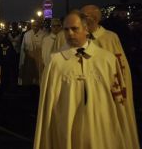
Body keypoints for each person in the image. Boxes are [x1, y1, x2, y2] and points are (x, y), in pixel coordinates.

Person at [34, 11, 139, 149]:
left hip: (101, 130)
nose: (70, 33)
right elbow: (47, 105)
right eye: (66, 29)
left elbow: (118, 100)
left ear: (86, 29)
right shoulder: (55, 62)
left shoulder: (106, 59)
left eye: (74, 28)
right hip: (67, 130)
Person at [81, 4, 139, 147]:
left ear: (93, 19)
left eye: (83, 16)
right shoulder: (79, 38)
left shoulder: (110, 38)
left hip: (106, 93)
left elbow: (120, 68)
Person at [18, 20, 46, 86]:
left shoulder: (44, 35)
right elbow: (23, 49)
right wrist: (22, 62)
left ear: (39, 26)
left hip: (39, 60)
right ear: (31, 26)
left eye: (37, 26)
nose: (35, 27)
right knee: (28, 78)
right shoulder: (26, 35)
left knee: (38, 79)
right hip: (28, 60)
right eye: (34, 26)